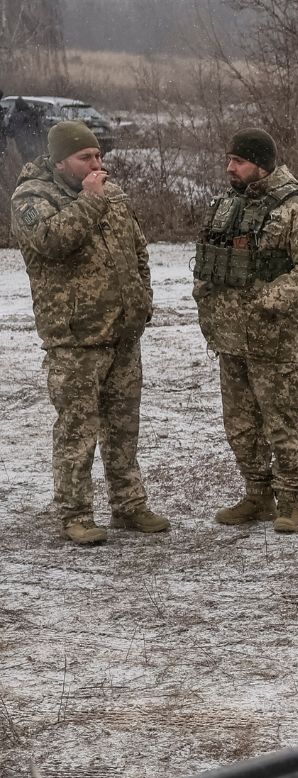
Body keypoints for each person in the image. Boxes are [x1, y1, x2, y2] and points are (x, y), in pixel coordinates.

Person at [9, 119, 161, 546]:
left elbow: (138, 249)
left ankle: (129, 505)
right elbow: (53, 242)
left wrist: (142, 299)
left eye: (98, 155)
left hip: (123, 332)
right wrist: (91, 200)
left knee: (123, 426)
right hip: (75, 337)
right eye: (85, 157)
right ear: (60, 161)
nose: (97, 164)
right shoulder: (32, 198)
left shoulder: (112, 194)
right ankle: (75, 513)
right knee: (78, 429)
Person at [194, 128, 298, 533]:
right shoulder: (225, 206)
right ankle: (256, 494)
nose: (229, 167)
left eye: (237, 161)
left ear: (261, 164)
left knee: (280, 419)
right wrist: (205, 301)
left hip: (274, 339)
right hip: (230, 338)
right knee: (239, 422)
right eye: (229, 159)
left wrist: (270, 300)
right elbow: (209, 260)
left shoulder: (297, 211)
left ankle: (289, 500)